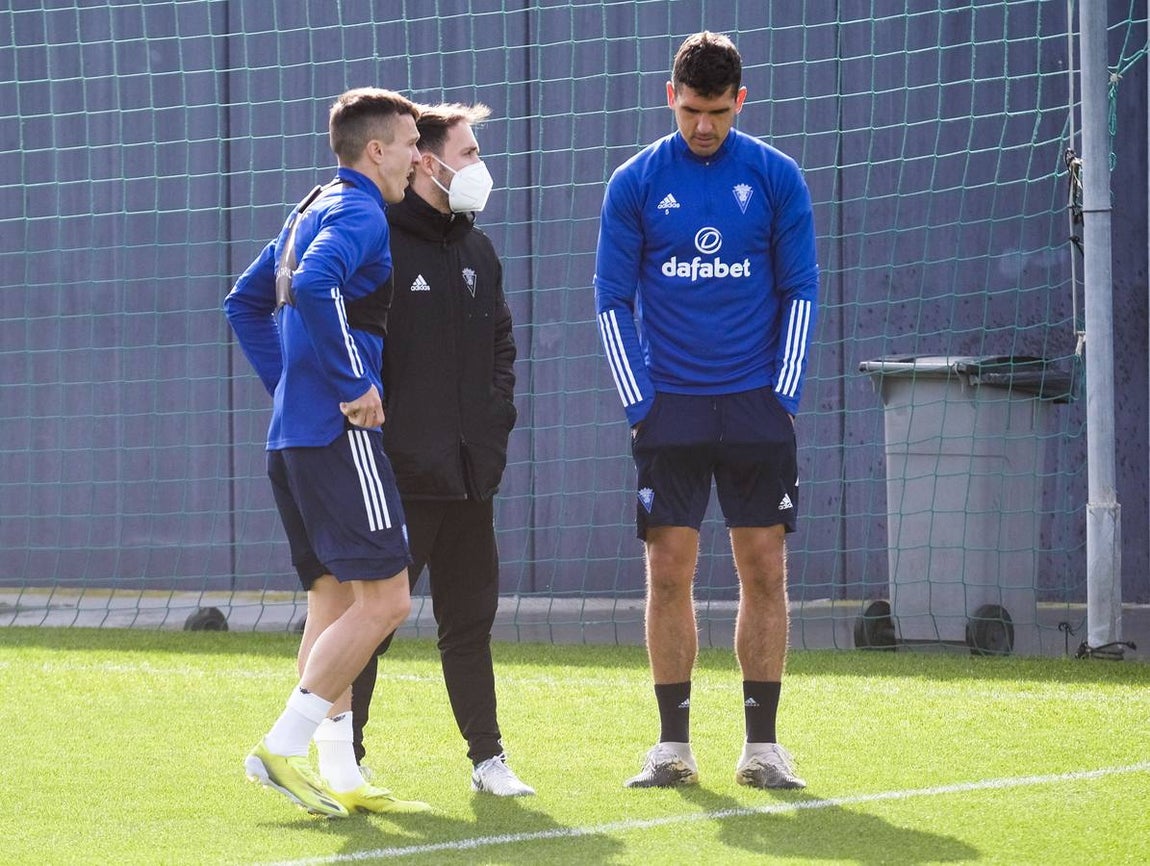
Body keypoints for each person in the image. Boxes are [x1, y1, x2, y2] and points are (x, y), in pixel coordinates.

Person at [594, 31, 819, 790]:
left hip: (756, 405)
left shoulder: (777, 176)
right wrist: (639, 402)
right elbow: (610, 301)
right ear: (670, 96)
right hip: (672, 410)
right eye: (691, 110)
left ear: (740, 102)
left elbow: (802, 292)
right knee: (668, 573)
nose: (703, 127)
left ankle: (763, 749)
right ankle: (672, 748)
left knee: (765, 569)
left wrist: (782, 395)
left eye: (718, 112)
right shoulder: (634, 182)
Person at [224, 87, 432, 817]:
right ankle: (282, 747)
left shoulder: (308, 208)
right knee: (389, 599)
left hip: (295, 434)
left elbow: (243, 301)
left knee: (334, 598)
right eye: (411, 143)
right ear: (377, 149)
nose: (419, 156)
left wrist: (292, 387)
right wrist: (347, 385)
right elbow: (314, 285)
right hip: (339, 435)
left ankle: (338, 768)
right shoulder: (359, 211)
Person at [347, 102, 534, 797]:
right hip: (401, 475)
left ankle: (488, 760)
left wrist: (495, 417)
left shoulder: (478, 250)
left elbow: (503, 346)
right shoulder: (380, 241)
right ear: (427, 160)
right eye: (472, 152)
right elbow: (353, 344)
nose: (481, 167)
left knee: (471, 623)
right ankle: (347, 753)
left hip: (470, 475)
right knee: (374, 623)